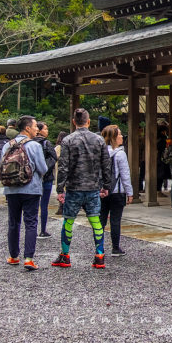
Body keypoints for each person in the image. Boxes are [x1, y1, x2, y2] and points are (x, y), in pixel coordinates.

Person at [52, 108, 112, 270]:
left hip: (74, 187)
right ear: (88, 121)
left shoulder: (68, 141)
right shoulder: (98, 140)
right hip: (93, 187)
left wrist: (60, 189)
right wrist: (106, 185)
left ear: (74, 122)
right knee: (95, 221)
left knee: (68, 221)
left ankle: (65, 255)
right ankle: (99, 255)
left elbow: (63, 167)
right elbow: (106, 165)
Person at [0, 115, 48, 270]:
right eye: (35, 126)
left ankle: (14, 256)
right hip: (31, 189)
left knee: (13, 222)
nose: (37, 129)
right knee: (31, 222)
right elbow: (43, 168)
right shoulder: (34, 146)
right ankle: (28, 258)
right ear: (27, 128)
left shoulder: (8, 145)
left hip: (11, 188)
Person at [100, 124, 133, 256]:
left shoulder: (101, 153)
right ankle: (115, 248)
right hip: (117, 191)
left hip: (102, 191)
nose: (121, 137)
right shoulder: (120, 154)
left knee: (100, 219)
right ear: (113, 138)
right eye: (119, 134)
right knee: (115, 220)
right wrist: (129, 192)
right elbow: (125, 175)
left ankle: (99, 247)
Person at [34, 122, 57, 238]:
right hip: (46, 178)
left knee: (33, 205)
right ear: (39, 130)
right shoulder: (46, 143)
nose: (47, 131)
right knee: (44, 205)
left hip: (33, 179)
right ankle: (43, 230)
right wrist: (45, 168)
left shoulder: (30, 142)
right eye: (46, 129)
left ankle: (32, 229)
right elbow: (54, 157)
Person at [53, 131, 68, 216]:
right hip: (67, 170)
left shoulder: (58, 147)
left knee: (60, 189)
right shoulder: (68, 146)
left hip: (59, 170)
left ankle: (61, 207)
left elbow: (54, 157)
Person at [157, 124, 170, 196]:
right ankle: (158, 190)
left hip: (157, 159)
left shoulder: (157, 138)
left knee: (159, 176)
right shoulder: (163, 140)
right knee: (160, 176)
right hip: (161, 159)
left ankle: (158, 190)